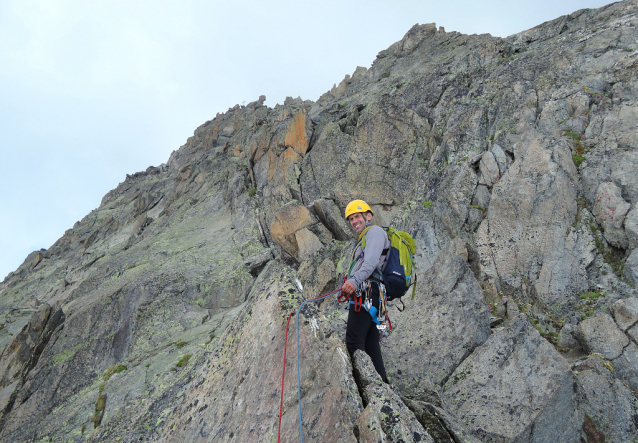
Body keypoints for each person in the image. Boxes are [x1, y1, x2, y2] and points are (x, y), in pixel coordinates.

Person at [341, 199, 390, 383]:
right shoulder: (365, 237)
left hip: (367, 292)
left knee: (354, 342)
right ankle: (382, 387)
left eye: (357, 217)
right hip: (370, 292)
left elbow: (370, 263)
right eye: (351, 219)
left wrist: (354, 281)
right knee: (370, 344)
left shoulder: (375, 232)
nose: (354, 221)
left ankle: (362, 390)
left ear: (368, 216)